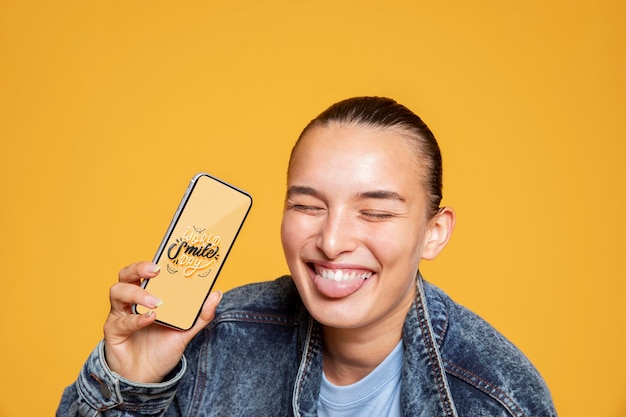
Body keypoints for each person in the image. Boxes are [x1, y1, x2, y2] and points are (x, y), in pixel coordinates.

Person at [58, 96, 556, 416]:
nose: (333, 240)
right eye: (307, 205)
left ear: (434, 232)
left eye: (376, 213)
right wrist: (129, 380)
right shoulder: (213, 341)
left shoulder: (498, 397)